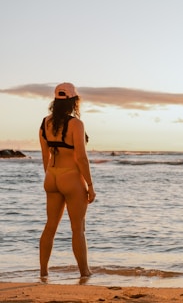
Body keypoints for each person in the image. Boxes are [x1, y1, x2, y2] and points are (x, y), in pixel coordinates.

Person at [39, 82, 96, 278]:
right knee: (78, 228)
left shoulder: (44, 123)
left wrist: (51, 176)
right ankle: (84, 272)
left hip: (51, 177)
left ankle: (43, 272)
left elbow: (45, 157)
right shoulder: (76, 124)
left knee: (50, 226)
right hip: (71, 178)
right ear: (73, 101)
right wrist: (90, 185)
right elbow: (81, 157)